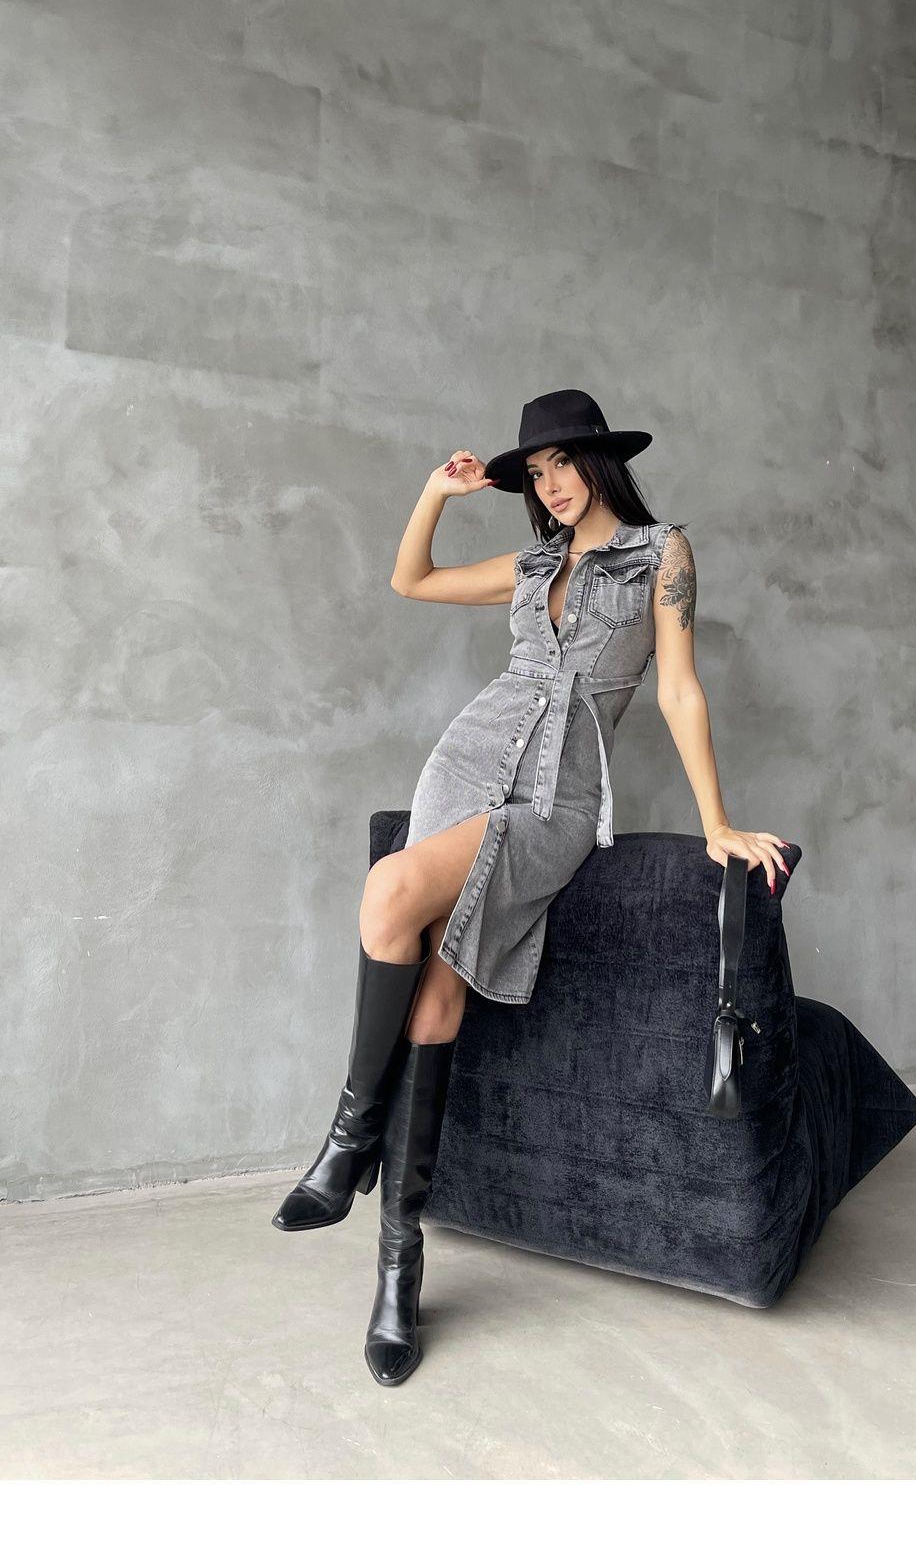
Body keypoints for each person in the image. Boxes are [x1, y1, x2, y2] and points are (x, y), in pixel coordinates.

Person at [272, 388, 791, 1387]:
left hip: (556, 798)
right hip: (465, 763)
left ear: (601, 461)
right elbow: (411, 578)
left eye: (562, 464)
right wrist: (436, 491)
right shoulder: (530, 564)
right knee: (434, 997)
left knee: (390, 891)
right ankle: (397, 1271)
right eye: (536, 472)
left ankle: (348, 1141)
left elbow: (678, 688)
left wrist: (717, 821)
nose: (549, 485)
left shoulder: (662, 555)